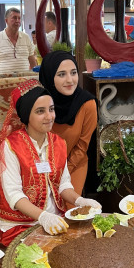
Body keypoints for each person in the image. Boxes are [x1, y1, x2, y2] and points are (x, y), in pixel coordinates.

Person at [0, 79, 100, 268]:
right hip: (21, 223)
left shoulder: (58, 143)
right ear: (26, 115)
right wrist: (42, 217)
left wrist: (80, 200)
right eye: (40, 111)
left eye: (51, 109)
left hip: (56, 218)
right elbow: (13, 195)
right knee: (40, 265)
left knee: (84, 250)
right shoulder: (10, 146)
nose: (49, 116)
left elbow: (63, 184)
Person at [39, 51, 97, 196]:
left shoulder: (88, 104)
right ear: (49, 77)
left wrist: (63, 174)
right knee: (41, 203)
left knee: (69, 206)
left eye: (73, 73)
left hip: (74, 164)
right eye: (61, 74)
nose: (70, 80)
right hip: (42, 166)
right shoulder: (38, 104)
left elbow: (82, 146)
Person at [0, 8, 37, 75]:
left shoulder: (26, 37)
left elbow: (32, 62)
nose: (17, 21)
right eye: (14, 18)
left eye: (19, 18)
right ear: (6, 20)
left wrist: (35, 77)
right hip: (4, 80)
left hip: (24, 79)